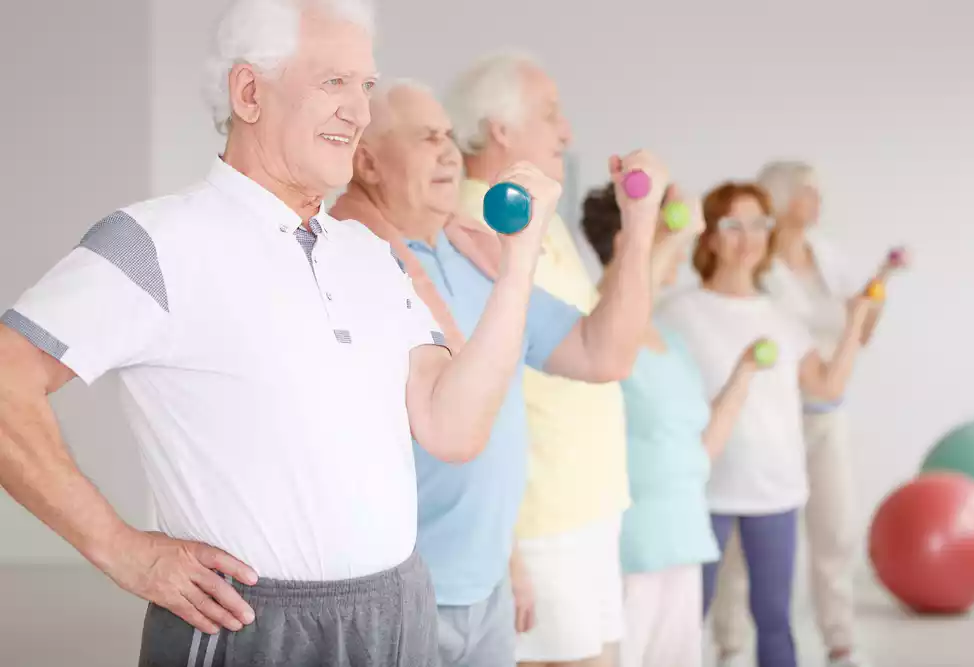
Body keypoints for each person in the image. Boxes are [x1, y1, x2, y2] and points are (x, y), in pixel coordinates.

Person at [0, 2, 567, 664]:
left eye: (366, 86)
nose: (360, 111)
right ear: (249, 93)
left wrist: (518, 266)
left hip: (399, 614)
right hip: (249, 626)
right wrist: (121, 548)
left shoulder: (370, 253)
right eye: (334, 82)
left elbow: (453, 428)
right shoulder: (156, 240)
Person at [330, 80, 667, 667]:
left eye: (448, 135)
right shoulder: (342, 260)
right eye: (425, 137)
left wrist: (639, 224)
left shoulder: (472, 251)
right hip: (396, 593)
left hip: (486, 586)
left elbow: (603, 354)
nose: (447, 151)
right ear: (368, 162)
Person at [445, 52, 630, 667]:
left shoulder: (538, 216)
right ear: (499, 127)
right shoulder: (471, 224)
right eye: (550, 114)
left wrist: (641, 227)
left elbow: (604, 348)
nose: (566, 131)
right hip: (539, 524)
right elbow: (476, 395)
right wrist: (511, 550)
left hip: (590, 505)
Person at [658, 181, 876, 667]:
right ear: (710, 237)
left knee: (774, 618)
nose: (748, 237)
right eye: (733, 225)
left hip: (775, 488)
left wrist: (856, 323)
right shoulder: (676, 314)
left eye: (759, 224)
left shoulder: (782, 315)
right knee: (686, 619)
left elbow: (826, 387)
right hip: (702, 488)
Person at [709, 161, 908, 667]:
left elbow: (855, 333)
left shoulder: (827, 257)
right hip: (767, 419)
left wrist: (875, 292)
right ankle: (730, 643)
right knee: (741, 542)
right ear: (779, 199)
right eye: (806, 191)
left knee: (834, 527)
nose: (817, 200)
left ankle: (840, 640)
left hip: (823, 412)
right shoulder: (757, 268)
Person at [579, 182, 774, 667]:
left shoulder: (670, 339)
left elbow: (699, 452)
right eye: (661, 236)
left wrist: (744, 372)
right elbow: (620, 299)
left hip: (682, 541)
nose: (681, 252)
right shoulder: (594, 324)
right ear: (626, 243)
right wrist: (673, 229)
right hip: (627, 551)